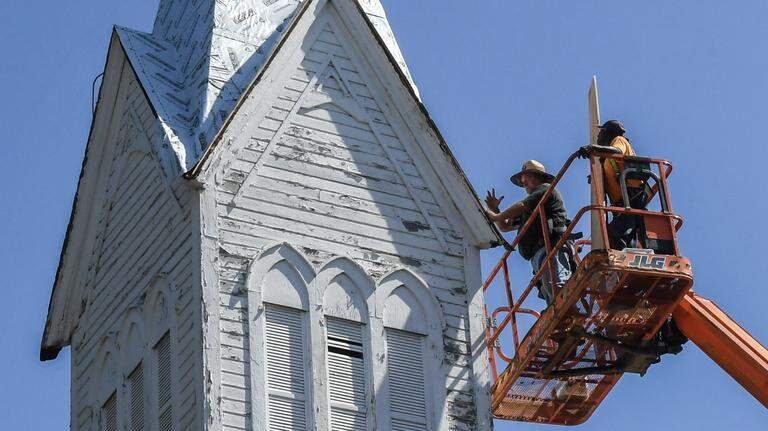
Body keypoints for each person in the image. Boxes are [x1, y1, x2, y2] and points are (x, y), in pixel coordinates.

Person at [485, 160, 572, 306]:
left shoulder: (546, 189)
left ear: (538, 177)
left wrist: (495, 217)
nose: (524, 183)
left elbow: (522, 205)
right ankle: (557, 310)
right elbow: (505, 227)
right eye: (522, 180)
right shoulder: (531, 210)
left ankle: (568, 307)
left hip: (552, 247)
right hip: (539, 254)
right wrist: (495, 210)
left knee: (558, 284)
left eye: (527, 177)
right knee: (550, 288)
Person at [581, 120, 649, 250]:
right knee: (623, 234)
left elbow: (617, 151)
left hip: (632, 197)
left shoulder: (619, 140)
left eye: (601, 132)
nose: (598, 136)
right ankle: (629, 255)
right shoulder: (605, 159)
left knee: (615, 234)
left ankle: (623, 258)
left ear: (608, 134)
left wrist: (593, 148)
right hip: (621, 203)